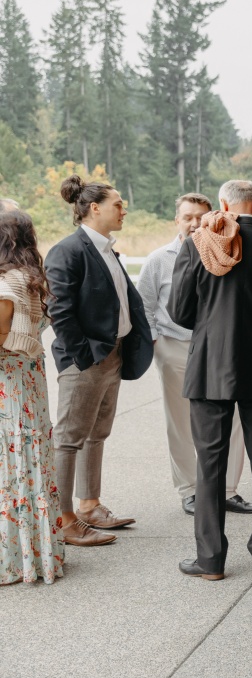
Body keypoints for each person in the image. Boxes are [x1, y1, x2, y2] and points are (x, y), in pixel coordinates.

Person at [169, 180, 252, 580]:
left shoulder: (199, 241)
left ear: (225, 205)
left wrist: (212, 325)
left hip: (210, 364)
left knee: (209, 463)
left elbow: (179, 310)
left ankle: (210, 560)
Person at [46, 176, 153, 547]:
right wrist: (83, 355)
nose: (124, 210)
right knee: (69, 439)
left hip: (114, 355)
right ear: (94, 208)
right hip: (87, 360)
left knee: (97, 433)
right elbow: (59, 310)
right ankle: (63, 520)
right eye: (118, 204)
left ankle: (90, 505)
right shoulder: (68, 250)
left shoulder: (108, 249)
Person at [137, 193, 252, 517]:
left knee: (233, 420)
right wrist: (158, 342)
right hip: (175, 349)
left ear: (211, 217)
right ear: (177, 220)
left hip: (220, 349)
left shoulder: (227, 252)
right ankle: (190, 490)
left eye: (199, 216)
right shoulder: (159, 259)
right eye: (186, 216)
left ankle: (227, 490)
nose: (192, 222)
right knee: (182, 423)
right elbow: (144, 305)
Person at [0, 211, 65, 584]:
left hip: (10, 389)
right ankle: (38, 555)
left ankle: (14, 561)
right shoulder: (32, 279)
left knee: (12, 469)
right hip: (30, 386)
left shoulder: (7, 284)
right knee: (29, 464)